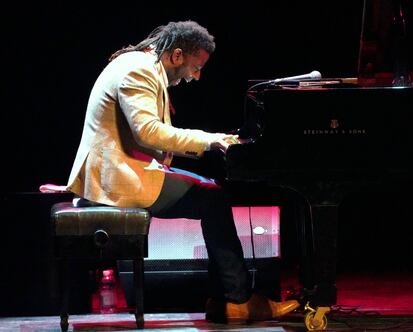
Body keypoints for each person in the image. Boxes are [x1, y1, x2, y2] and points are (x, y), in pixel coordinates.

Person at [66, 20, 299, 323]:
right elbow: (148, 132)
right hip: (116, 179)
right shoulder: (139, 70)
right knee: (214, 199)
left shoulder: (142, 64)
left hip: (122, 170)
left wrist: (218, 139)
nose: (196, 77)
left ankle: (227, 299)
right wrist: (209, 140)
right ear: (177, 55)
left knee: (213, 195)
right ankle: (236, 300)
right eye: (195, 67)